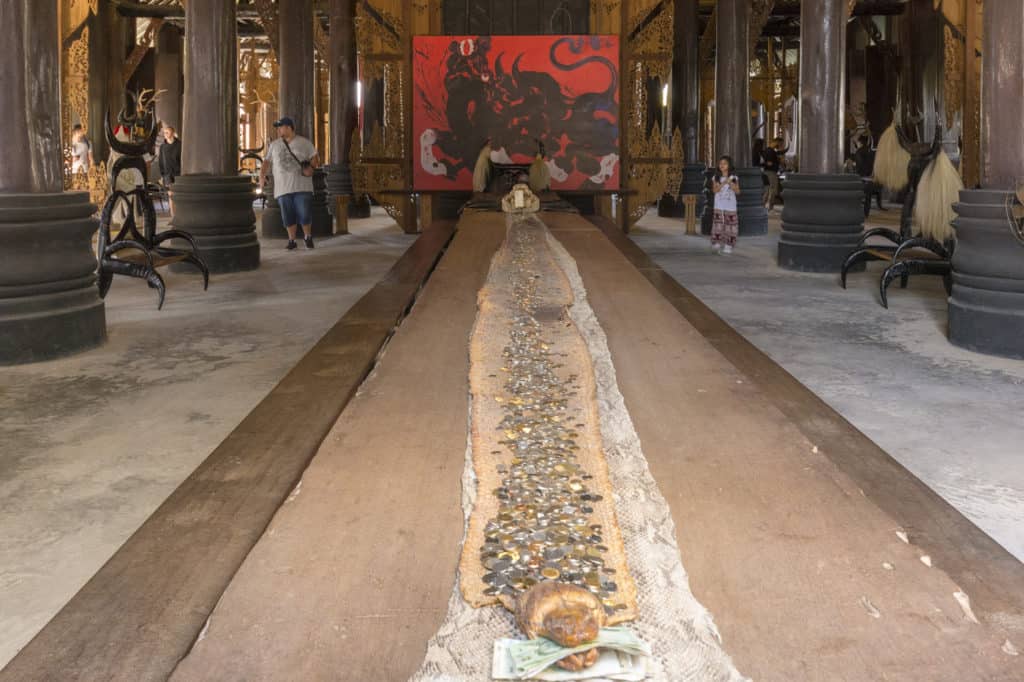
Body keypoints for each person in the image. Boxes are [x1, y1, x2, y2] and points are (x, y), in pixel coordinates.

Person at [259, 116, 320, 250]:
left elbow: (315, 158)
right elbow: (266, 161)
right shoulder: (275, 145)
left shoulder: (304, 142)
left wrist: (311, 167)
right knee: (288, 215)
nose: (278, 130)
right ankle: (292, 240)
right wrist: (262, 175)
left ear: (289, 127)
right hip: (283, 187)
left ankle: (307, 237)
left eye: (280, 127)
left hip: (302, 186)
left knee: (304, 213)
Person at [711, 155, 740, 255]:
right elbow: (715, 190)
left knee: (731, 226)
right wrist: (724, 183)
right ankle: (717, 242)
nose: (722, 165)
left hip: (730, 206)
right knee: (718, 224)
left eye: (725, 164)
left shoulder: (734, 177)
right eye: (720, 164)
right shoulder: (716, 177)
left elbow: (737, 191)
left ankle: (728, 245)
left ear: (729, 165)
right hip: (719, 205)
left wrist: (730, 183)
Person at [761, 137, 783, 210]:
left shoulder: (766, 150)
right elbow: (769, 163)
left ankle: (763, 206)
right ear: (776, 142)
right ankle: (770, 207)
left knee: (767, 190)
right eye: (780, 143)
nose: (780, 146)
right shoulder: (771, 151)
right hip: (771, 172)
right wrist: (778, 162)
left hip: (766, 172)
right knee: (773, 190)